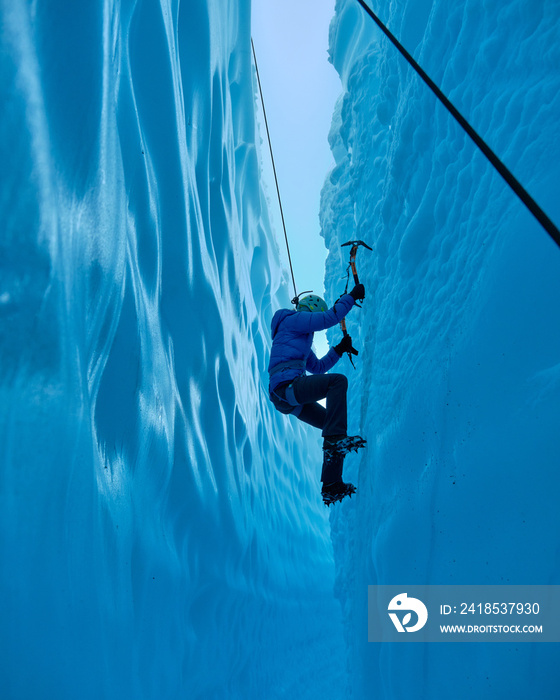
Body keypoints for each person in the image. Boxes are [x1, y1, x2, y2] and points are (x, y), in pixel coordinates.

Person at [268, 284, 366, 505]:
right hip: (286, 388)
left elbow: (318, 367)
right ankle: (335, 445)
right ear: (310, 310)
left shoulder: (298, 338)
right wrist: (351, 297)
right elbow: (328, 319)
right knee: (338, 383)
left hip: (287, 397)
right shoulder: (292, 320)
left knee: (331, 424)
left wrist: (339, 350)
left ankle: (331, 485)